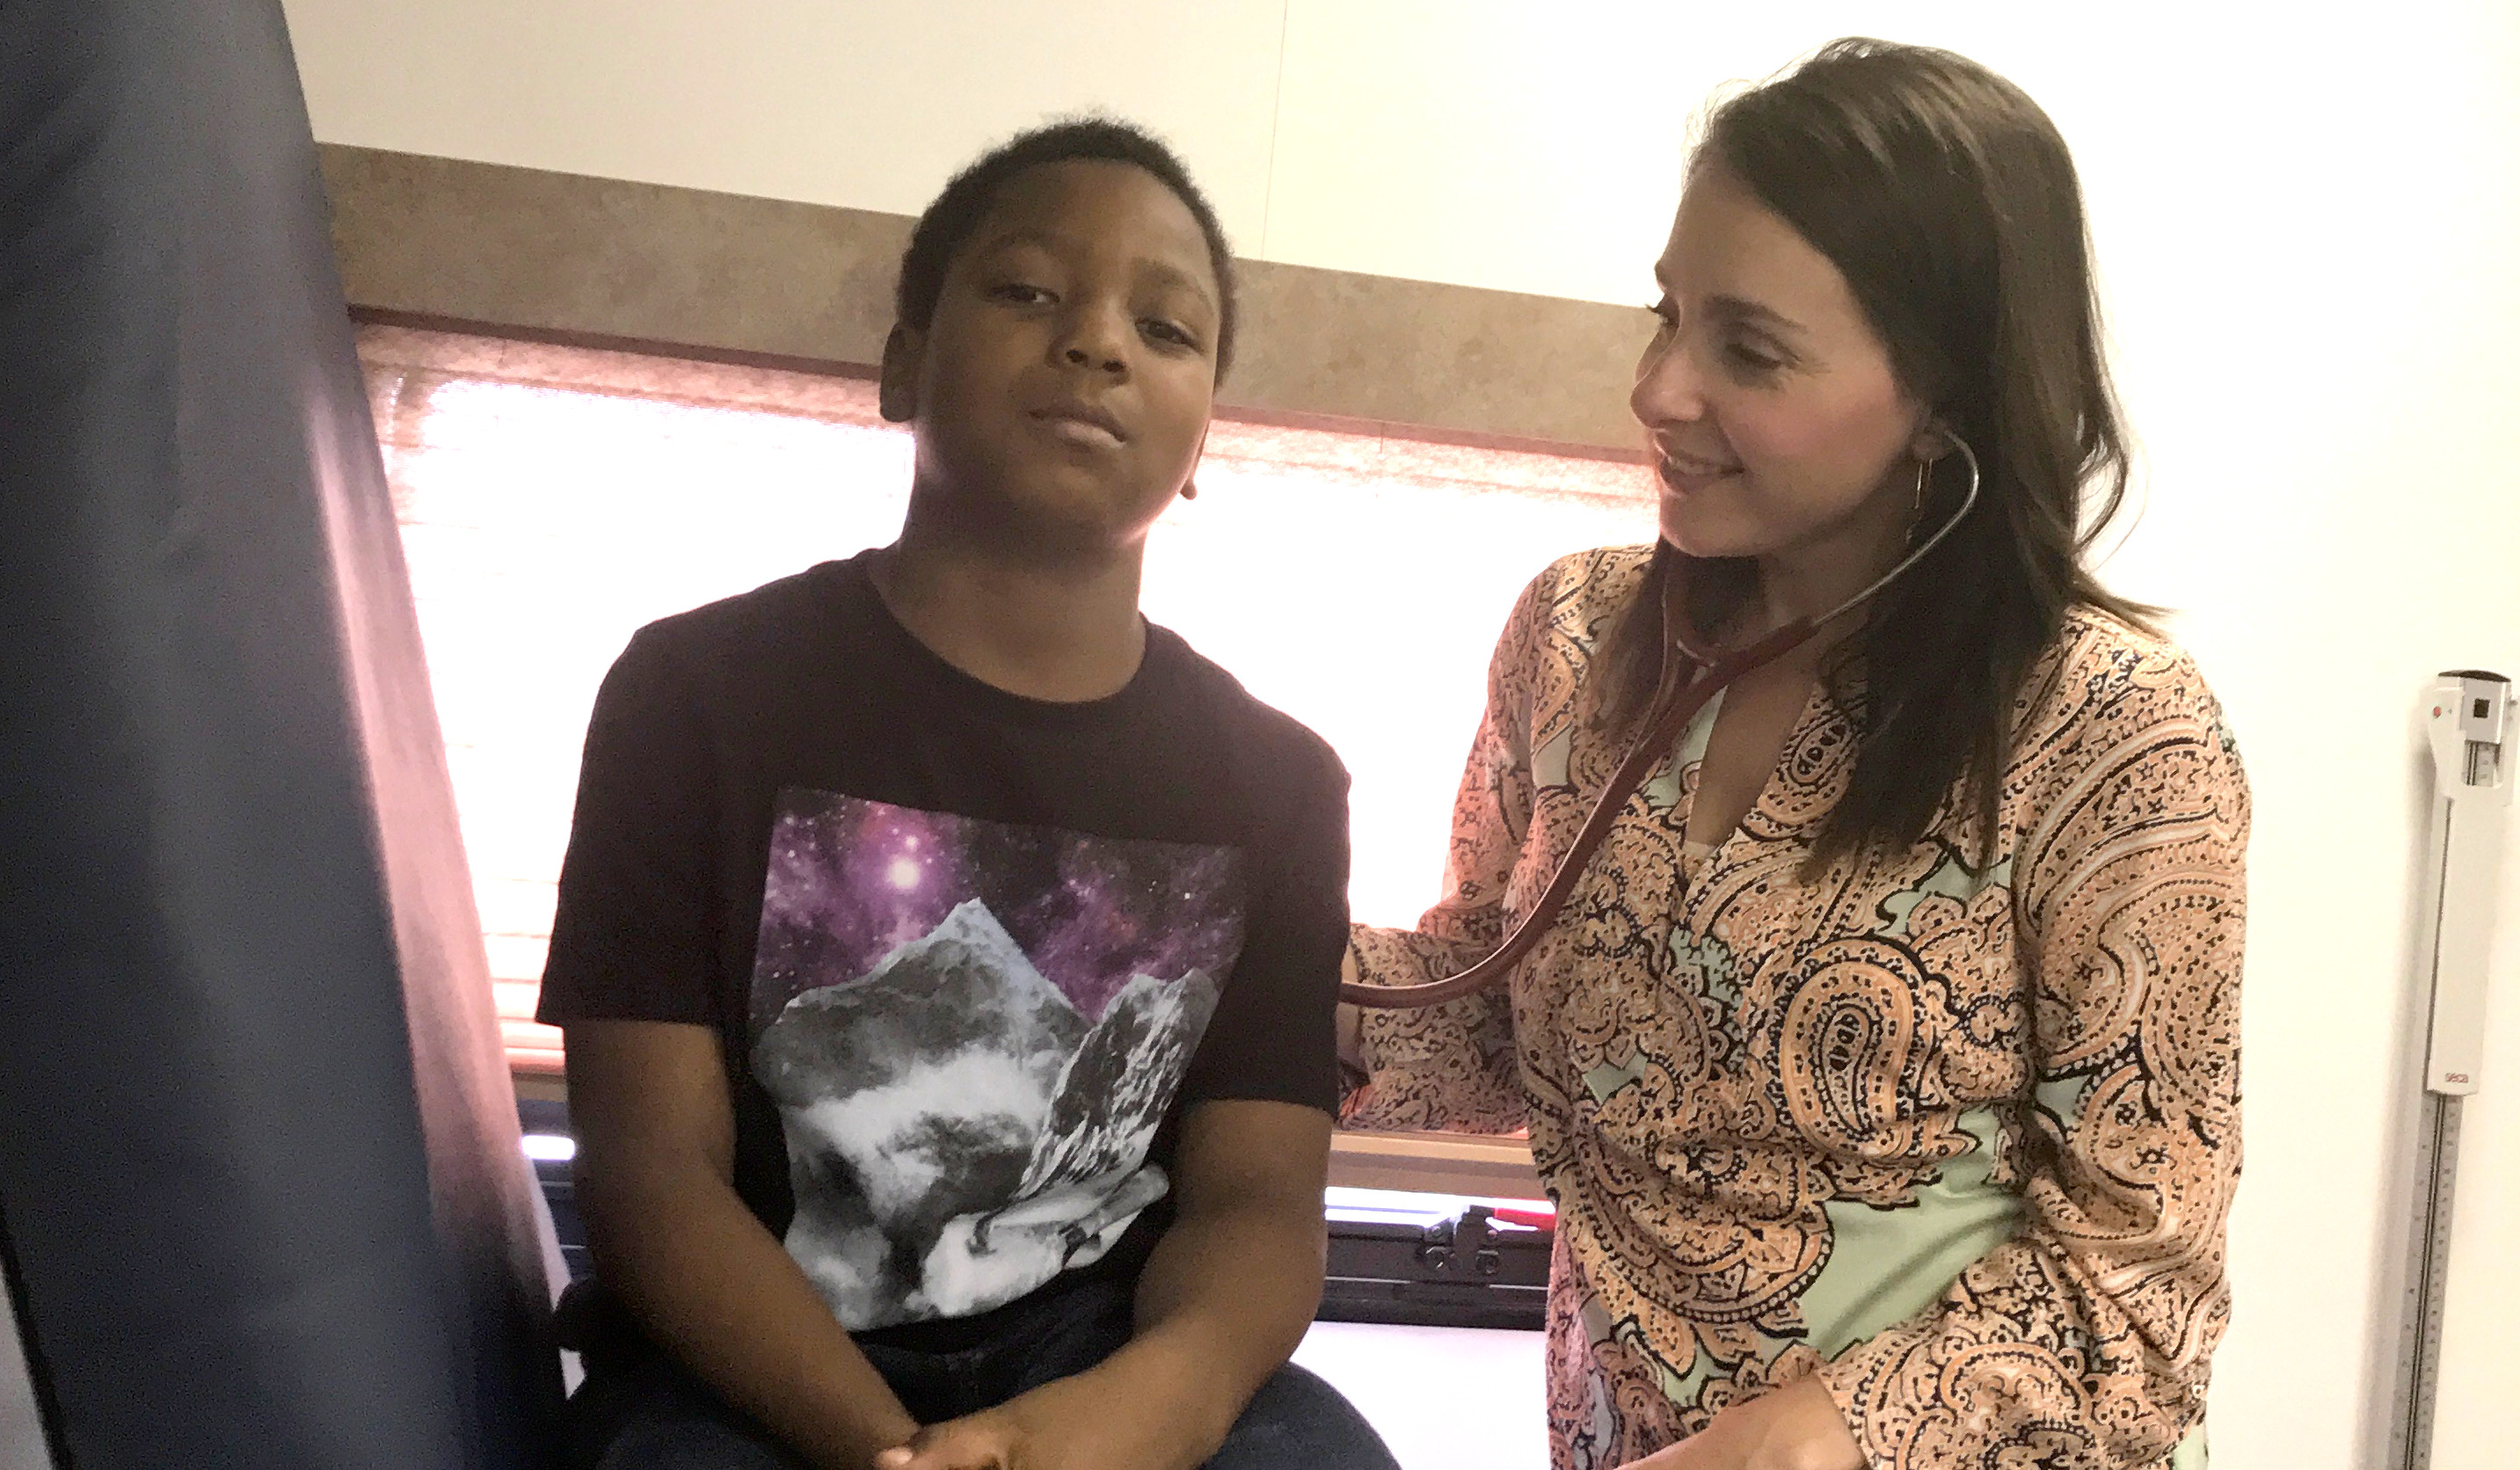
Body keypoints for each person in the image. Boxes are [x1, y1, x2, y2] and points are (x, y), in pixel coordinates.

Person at [1340, 40, 2248, 1470]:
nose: (1657, 390)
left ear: (1943, 398)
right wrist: (1212, 948)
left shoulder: (2114, 731)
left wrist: (1823, 1434)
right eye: (1667, 318)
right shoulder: (1572, 636)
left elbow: (2137, 1287)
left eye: (1745, 351)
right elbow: (1479, 1020)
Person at [538, 119, 1399, 1470]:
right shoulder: (694, 692)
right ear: (900, 366)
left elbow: (1257, 1204)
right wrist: (891, 1450)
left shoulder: (1278, 782)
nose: (1099, 343)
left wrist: (1151, 1408)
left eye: (1166, 329)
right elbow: (652, 1173)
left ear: (1199, 442)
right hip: (747, 1371)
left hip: (1100, 1368)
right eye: (1028, 292)